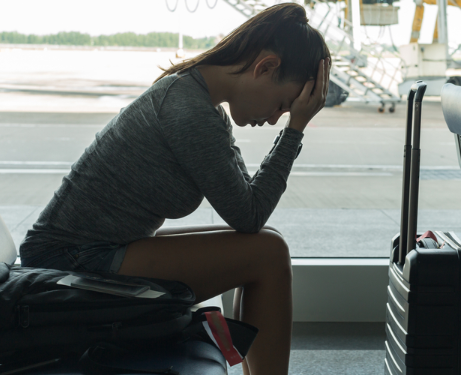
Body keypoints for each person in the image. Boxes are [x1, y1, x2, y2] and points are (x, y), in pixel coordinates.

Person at [19, 3, 330, 374]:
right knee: (268, 252)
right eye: (282, 104)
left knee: (268, 244)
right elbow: (248, 215)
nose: (276, 117)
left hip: (91, 252)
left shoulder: (204, 106)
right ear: (265, 67)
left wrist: (292, 125)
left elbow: (250, 205)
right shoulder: (188, 110)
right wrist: (294, 132)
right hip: (70, 263)